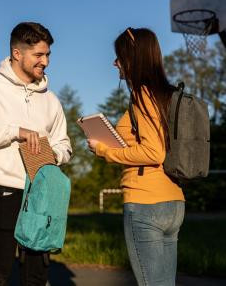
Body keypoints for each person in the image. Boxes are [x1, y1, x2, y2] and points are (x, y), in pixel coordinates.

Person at [0, 22, 72, 286]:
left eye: (48, 55)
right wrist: (13, 131)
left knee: (36, 278)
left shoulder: (51, 100)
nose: (46, 62)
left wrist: (52, 154)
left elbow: (65, 145)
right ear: (17, 54)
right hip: (2, 193)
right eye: (39, 55)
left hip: (42, 199)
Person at [87, 28, 185, 286]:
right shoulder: (165, 94)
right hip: (173, 201)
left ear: (131, 57)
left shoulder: (143, 94)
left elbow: (154, 151)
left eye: (119, 56)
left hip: (145, 203)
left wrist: (104, 150)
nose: (115, 62)